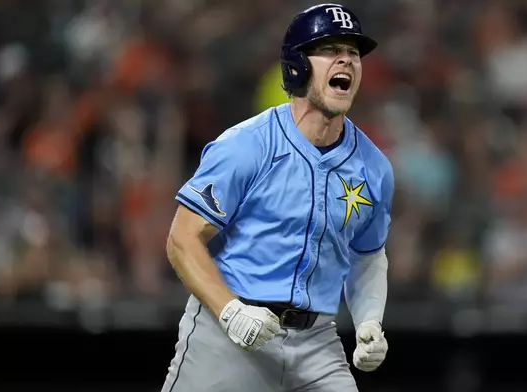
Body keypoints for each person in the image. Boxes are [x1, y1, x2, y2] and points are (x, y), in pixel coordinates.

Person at [161, 3, 393, 391]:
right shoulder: (246, 145)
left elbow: (367, 255)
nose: (347, 61)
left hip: (317, 340)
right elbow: (182, 239)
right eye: (331, 50)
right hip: (227, 334)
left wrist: (369, 319)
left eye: (353, 53)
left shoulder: (374, 167)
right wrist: (230, 311)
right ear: (298, 65)